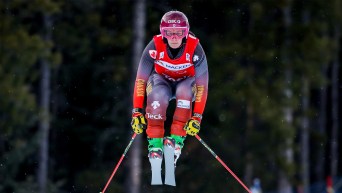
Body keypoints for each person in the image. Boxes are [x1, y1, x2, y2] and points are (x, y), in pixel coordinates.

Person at [130, 10, 209, 185]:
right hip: (162, 82)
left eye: (179, 33)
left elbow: (202, 86)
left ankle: (175, 143)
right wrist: (136, 112)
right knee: (157, 96)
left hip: (186, 83)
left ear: (186, 33)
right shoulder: (154, 46)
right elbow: (141, 81)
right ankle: (155, 145)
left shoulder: (195, 49)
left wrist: (196, 117)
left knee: (185, 92)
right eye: (169, 33)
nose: (174, 37)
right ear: (163, 33)